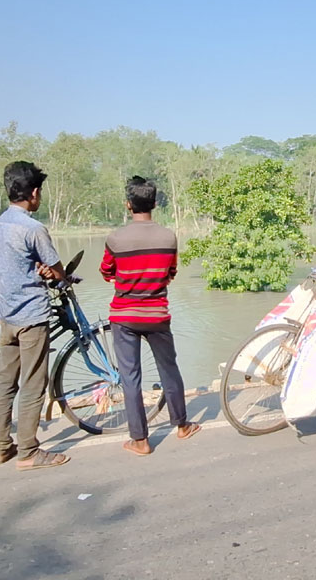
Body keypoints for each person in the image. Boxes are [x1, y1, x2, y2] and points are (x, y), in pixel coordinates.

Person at [100, 176, 202, 456]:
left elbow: (106, 271)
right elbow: (170, 273)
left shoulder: (115, 238)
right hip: (157, 315)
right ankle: (182, 425)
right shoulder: (168, 237)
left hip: (124, 316)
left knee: (130, 376)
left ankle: (140, 440)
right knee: (169, 368)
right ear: (155, 204)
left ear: (128, 205)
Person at [0, 161, 71, 471]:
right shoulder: (33, 228)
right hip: (32, 317)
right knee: (34, 383)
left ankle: (1, 447)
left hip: (6, 315)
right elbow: (57, 268)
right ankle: (29, 451)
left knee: (6, 382)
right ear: (33, 193)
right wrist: (60, 276)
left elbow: (13, 263)